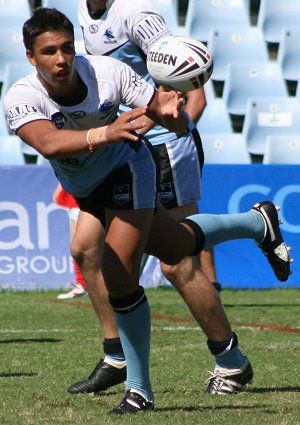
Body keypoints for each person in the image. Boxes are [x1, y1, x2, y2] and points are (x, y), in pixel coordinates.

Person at [4, 8, 291, 414]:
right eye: (49, 51)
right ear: (32, 57)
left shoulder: (107, 72)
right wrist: (107, 131)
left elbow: (166, 116)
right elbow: (48, 143)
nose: (61, 58)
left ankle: (138, 388)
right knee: (176, 245)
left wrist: (173, 116)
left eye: (67, 48)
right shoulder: (20, 95)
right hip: (87, 187)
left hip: (129, 169)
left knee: (117, 273)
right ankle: (257, 222)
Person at [66, 0, 224, 396]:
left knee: (176, 263)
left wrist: (175, 129)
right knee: (85, 249)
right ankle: (116, 355)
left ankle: (229, 358)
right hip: (123, 147)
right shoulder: (84, 13)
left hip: (163, 146)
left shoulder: (135, 13)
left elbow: (187, 78)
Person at [53, 183, 88, 299]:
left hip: (82, 193)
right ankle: (83, 285)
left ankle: (83, 285)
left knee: (79, 245)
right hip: (83, 191)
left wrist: (61, 186)